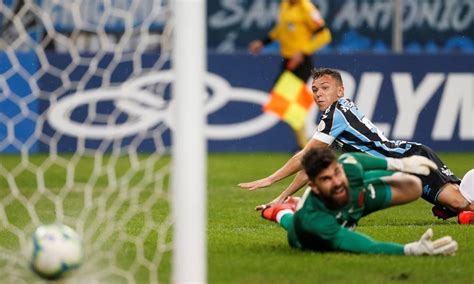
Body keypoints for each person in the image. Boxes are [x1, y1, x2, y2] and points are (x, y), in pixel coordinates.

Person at [239, 68, 474, 224]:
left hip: (410, 160)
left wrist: (269, 180)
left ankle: (459, 208)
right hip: (406, 162)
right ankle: (457, 207)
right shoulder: (338, 112)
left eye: (325, 88)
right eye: (314, 89)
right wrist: (281, 198)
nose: (318, 94)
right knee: (461, 202)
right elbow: (312, 166)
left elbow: (304, 156)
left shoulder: (336, 115)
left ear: (340, 91)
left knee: (463, 204)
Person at [260, 147, 458, 255]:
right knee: (291, 221)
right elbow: (368, 247)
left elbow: (353, 159)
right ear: (313, 186)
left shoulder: (348, 167)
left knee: (413, 185)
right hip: (308, 229)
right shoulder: (314, 223)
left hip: (353, 202)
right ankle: (280, 211)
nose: (337, 182)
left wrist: (401, 163)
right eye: (326, 179)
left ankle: (286, 208)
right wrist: (409, 250)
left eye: (337, 173)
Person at [248, 0, 331, 149]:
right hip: (288, 60)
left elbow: (325, 35)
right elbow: (281, 29)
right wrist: (263, 42)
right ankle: (305, 145)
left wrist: (303, 51)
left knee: (287, 101)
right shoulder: (285, 4)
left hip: (301, 62)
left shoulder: (307, 8)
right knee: (288, 102)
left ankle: (305, 145)